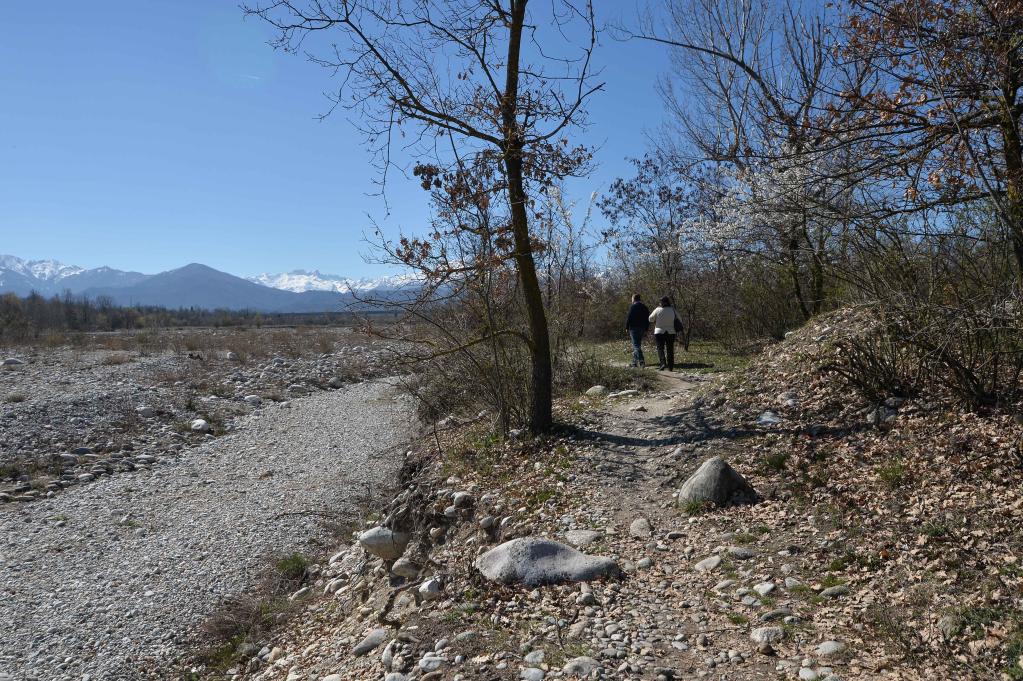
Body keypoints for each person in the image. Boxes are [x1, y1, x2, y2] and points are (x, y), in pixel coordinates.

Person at [648, 296, 679, 371]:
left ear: (661, 302)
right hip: (671, 332)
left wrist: (656, 319)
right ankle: (670, 366)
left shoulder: (657, 309)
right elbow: (680, 319)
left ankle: (663, 363)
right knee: (670, 349)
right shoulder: (673, 310)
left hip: (659, 331)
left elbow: (650, 319)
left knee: (660, 348)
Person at [624, 294, 650, 367]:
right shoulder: (645, 307)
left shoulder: (633, 307)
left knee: (636, 346)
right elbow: (647, 319)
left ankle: (641, 361)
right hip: (642, 328)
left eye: (632, 299)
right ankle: (634, 363)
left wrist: (626, 327)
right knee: (637, 345)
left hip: (634, 328)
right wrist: (646, 328)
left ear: (634, 299)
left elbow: (629, 317)